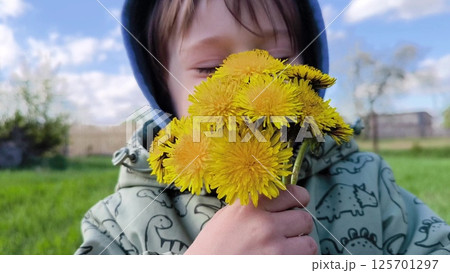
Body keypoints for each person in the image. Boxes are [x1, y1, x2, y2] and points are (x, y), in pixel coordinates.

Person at [75, 0, 450, 255]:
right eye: (209, 67)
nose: (251, 80)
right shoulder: (116, 225)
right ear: (161, 89)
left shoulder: (370, 183)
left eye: (280, 59)